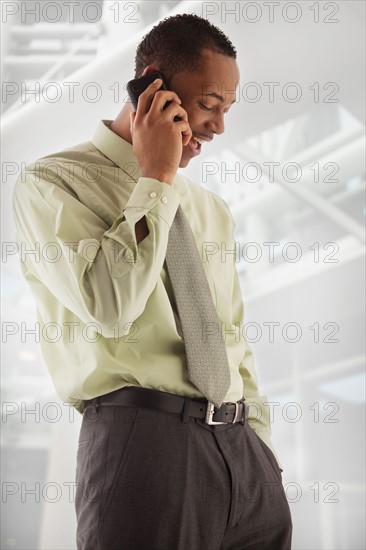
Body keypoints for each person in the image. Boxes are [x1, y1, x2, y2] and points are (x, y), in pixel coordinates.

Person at [13, 13, 292, 550]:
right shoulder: (54, 182)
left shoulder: (211, 209)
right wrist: (157, 178)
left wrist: (260, 447)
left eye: (227, 110)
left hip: (243, 458)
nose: (218, 127)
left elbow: (232, 335)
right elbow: (110, 303)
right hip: (144, 443)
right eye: (209, 104)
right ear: (153, 84)